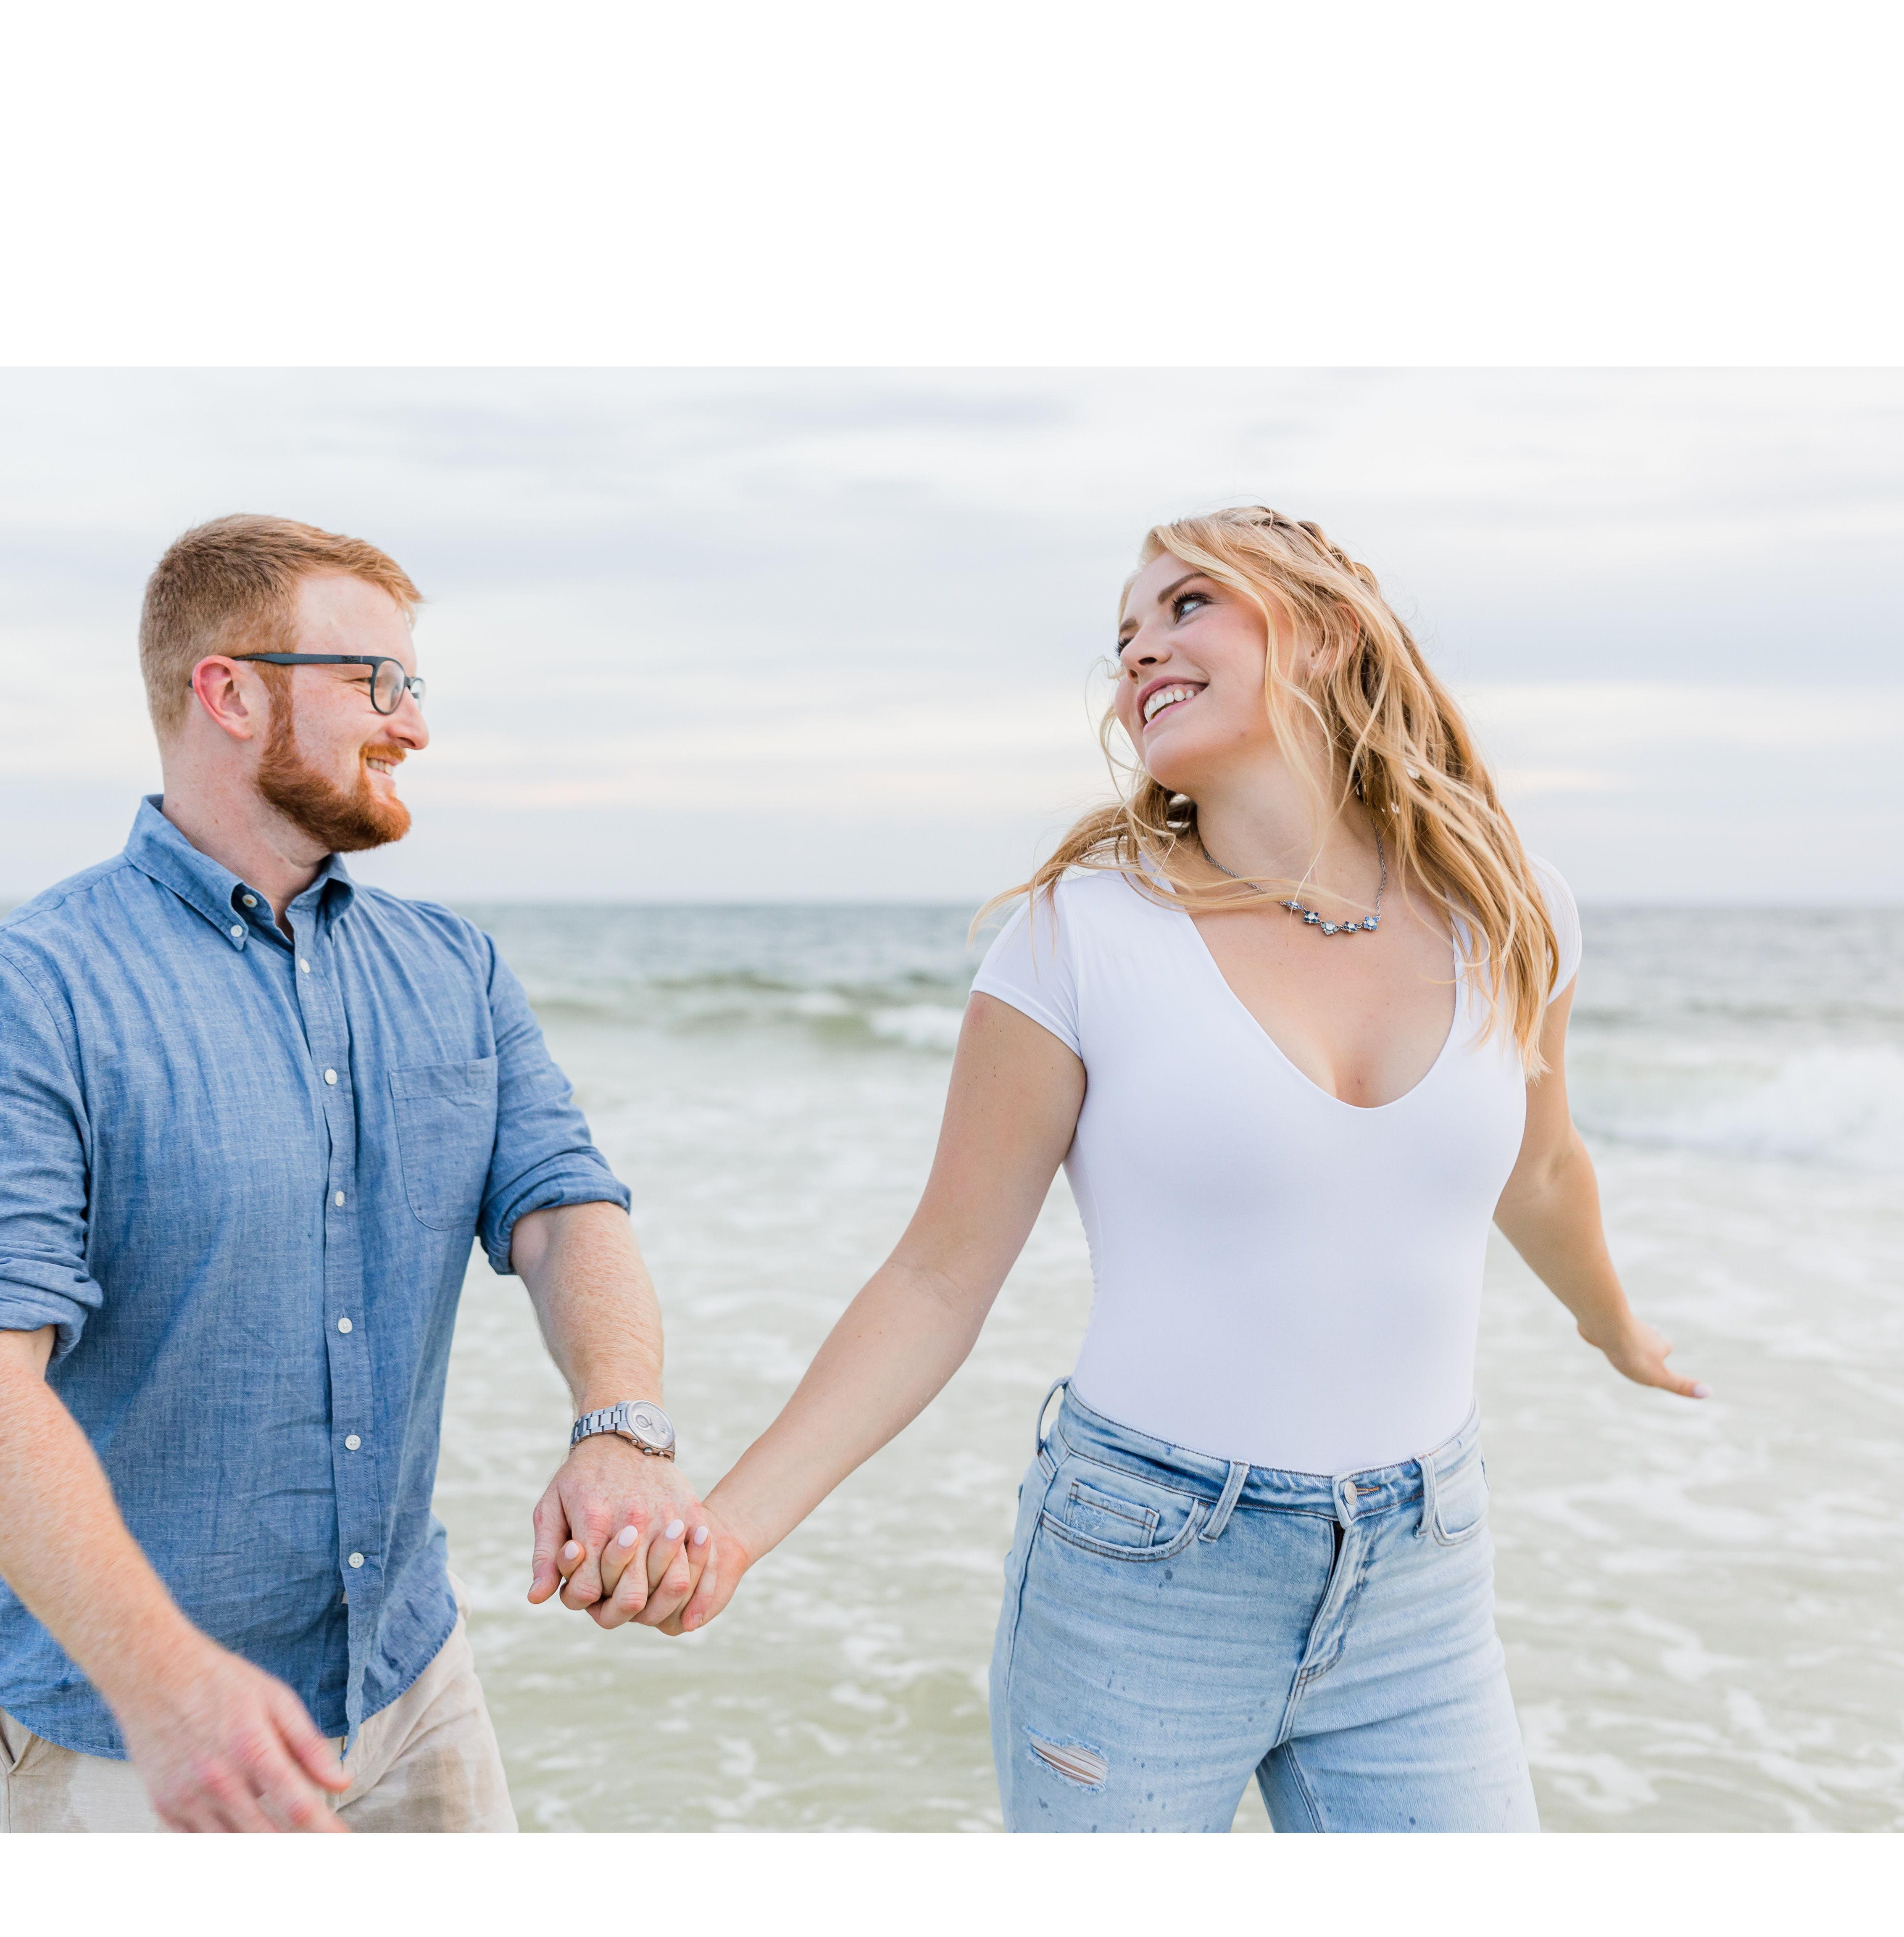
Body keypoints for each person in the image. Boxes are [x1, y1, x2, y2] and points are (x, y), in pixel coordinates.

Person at [636, 505, 1706, 1832]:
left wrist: (1614, 1328)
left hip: (1420, 1570)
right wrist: (735, 1525)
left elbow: (1538, 1172)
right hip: (1142, 1573)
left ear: (1327, 634)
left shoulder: (1510, 903)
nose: (1139, 649)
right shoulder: (1077, 936)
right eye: (1124, 635)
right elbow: (936, 1278)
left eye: (1187, 604)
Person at [0, 513, 711, 1833]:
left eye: (414, 685)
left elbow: (565, 1210)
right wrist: (163, 1679)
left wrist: (620, 1424)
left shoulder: (454, 969)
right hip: (125, 1725)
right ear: (228, 692)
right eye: (375, 683)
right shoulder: (25, 992)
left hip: (409, 1678)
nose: (413, 726)